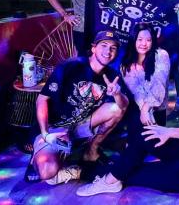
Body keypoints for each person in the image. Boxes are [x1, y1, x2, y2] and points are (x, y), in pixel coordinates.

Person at [32, 30, 129, 185]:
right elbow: (42, 100)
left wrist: (117, 94)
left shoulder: (111, 76)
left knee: (116, 108)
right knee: (47, 171)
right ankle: (71, 168)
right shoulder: (71, 66)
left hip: (80, 126)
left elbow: (123, 106)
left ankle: (90, 152)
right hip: (54, 130)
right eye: (104, 45)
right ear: (93, 48)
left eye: (113, 48)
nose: (108, 51)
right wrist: (45, 133)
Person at [120, 23, 170, 128]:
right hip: (138, 108)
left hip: (158, 109)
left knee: (155, 141)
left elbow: (159, 84)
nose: (144, 43)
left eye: (148, 40)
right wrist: (144, 112)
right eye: (140, 39)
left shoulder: (161, 55)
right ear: (134, 40)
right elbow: (136, 91)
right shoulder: (126, 65)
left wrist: (146, 109)